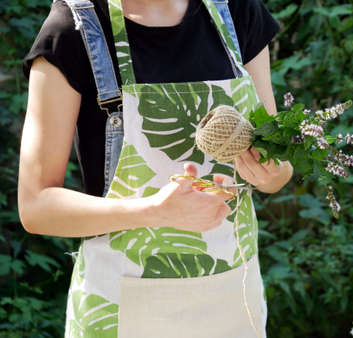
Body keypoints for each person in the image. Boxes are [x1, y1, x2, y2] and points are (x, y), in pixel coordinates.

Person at [18, 0, 293, 336]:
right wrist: (153, 212)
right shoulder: (74, 29)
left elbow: (278, 159)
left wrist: (275, 173)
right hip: (118, 304)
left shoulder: (236, 12)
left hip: (233, 298)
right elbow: (35, 206)